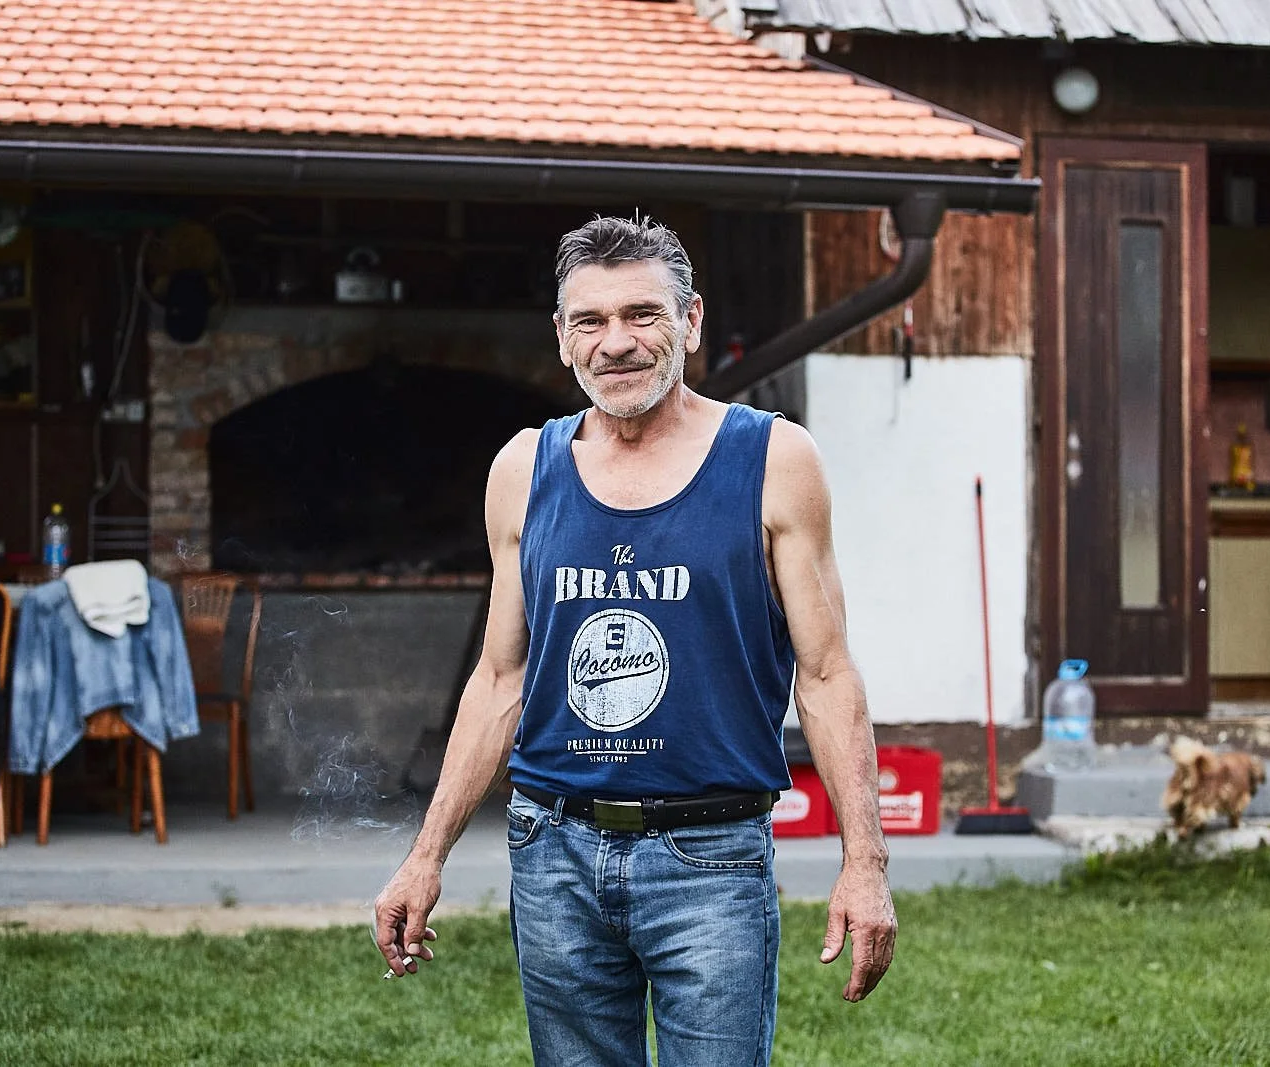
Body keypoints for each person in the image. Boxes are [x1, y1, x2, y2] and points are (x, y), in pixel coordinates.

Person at [371, 215, 895, 1064]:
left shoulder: (773, 459)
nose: (616, 342)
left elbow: (827, 673)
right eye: (591, 321)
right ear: (563, 339)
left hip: (712, 857)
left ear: (689, 322)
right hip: (552, 856)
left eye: (642, 315)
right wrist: (424, 855)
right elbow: (499, 678)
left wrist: (864, 863)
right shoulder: (521, 470)